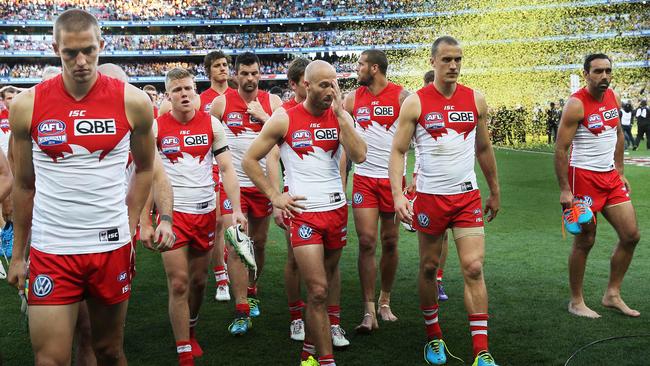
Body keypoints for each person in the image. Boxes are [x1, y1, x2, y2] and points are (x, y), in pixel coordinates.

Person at [7, 9, 155, 365]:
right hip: (52, 247)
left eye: (89, 50)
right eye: (70, 53)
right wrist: (17, 255)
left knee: (108, 350)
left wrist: (131, 223)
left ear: (101, 45)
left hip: (111, 246)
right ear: (55, 48)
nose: (81, 61)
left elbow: (147, 168)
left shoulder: (133, 102)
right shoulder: (27, 105)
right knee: (50, 359)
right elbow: (24, 186)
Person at [242, 59, 367, 366]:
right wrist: (275, 195)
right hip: (304, 214)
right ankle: (326, 360)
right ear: (307, 86)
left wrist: (342, 118)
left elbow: (360, 156)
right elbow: (250, 160)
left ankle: (307, 352)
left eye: (334, 83)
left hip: (336, 210)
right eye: (324, 84)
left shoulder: (340, 116)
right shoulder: (284, 118)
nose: (330, 90)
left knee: (324, 286)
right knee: (318, 289)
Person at [389, 36, 500, 366]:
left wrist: (494, 189)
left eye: (458, 60)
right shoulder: (416, 102)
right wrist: (398, 194)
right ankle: (433, 336)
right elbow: (398, 151)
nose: (453, 65)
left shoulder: (475, 100)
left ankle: (481, 350)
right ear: (433, 61)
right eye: (447, 60)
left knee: (474, 267)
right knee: (428, 267)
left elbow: (483, 149)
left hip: (466, 197)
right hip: (430, 199)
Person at [154, 67, 246, 365]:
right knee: (179, 282)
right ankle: (183, 350)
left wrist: (237, 208)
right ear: (168, 95)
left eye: (189, 89)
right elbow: (146, 175)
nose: (184, 94)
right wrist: (144, 220)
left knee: (198, 282)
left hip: (205, 213)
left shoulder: (212, 124)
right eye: (177, 90)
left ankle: (190, 330)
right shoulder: (156, 128)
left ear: (196, 92)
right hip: (173, 216)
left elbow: (229, 169)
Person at [555, 53, 641, 319]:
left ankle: (611, 294)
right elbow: (560, 149)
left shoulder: (612, 97)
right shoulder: (576, 104)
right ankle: (576, 301)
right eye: (598, 72)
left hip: (610, 179)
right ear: (586, 74)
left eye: (608, 71)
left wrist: (620, 169)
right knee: (585, 240)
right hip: (583, 180)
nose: (604, 76)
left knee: (631, 235)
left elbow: (617, 133)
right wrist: (565, 189)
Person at [209, 51, 282, 335]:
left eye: (254, 73)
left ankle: (252, 288)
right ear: (235, 75)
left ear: (260, 74)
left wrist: (264, 117)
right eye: (244, 73)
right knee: (238, 244)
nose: (250, 79)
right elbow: (208, 138)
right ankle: (241, 309)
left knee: (259, 244)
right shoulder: (221, 103)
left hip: (262, 186)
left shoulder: (272, 102)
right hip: (234, 186)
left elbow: (280, 144)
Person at [343, 49, 409, 332]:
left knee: (391, 241)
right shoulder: (351, 98)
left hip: (393, 181)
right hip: (365, 179)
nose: (356, 69)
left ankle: (385, 301)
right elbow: (341, 137)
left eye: (360, 65)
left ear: (374, 69)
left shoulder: (402, 96)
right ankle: (368, 311)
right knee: (367, 242)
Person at [199, 50, 237, 302]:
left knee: (238, 225)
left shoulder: (239, 97)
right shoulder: (201, 100)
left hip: (238, 170)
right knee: (218, 224)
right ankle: (221, 277)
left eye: (225, 65)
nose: (223, 69)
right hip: (212, 167)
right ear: (208, 71)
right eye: (217, 66)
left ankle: (242, 274)